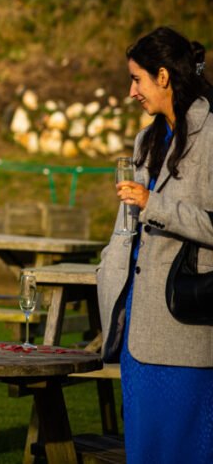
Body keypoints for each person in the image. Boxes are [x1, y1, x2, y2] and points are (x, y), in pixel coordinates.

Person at [97, 26, 213, 463]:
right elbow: (127, 227)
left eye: (137, 79)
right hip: (138, 335)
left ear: (163, 76)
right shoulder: (146, 140)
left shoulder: (212, 133)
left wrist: (154, 203)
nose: (131, 92)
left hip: (189, 331)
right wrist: (107, 274)